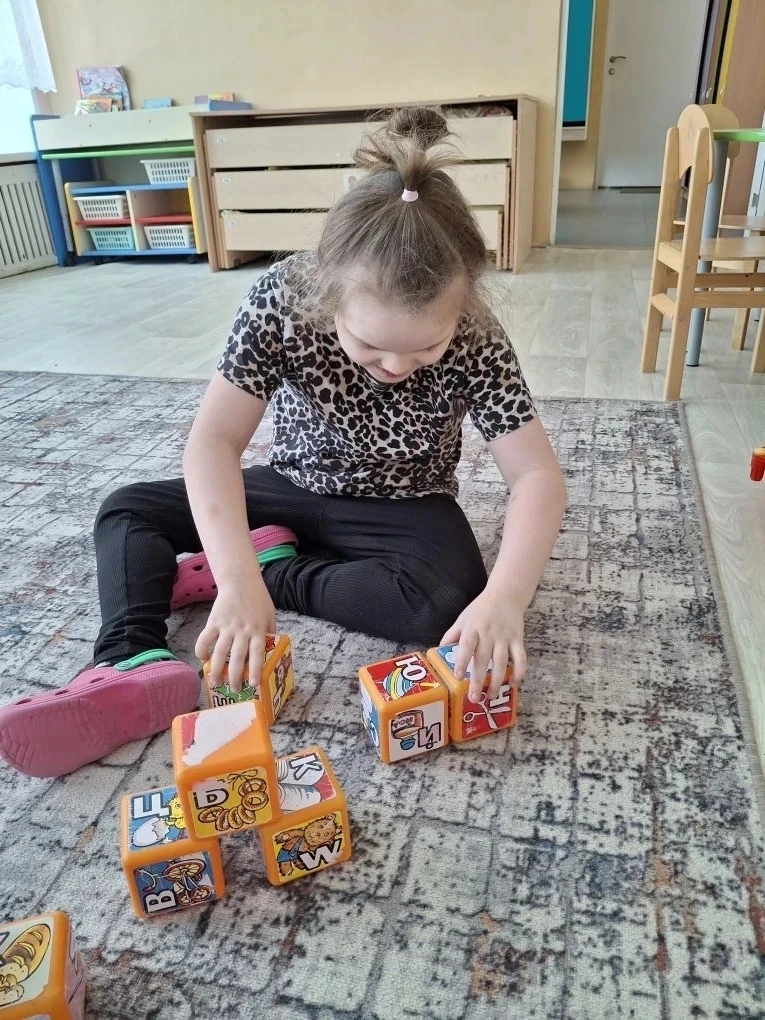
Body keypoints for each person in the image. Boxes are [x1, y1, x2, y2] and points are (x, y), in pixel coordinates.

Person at [0, 107, 565, 779]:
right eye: (370, 345)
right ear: (327, 294)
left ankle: (272, 567)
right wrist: (234, 578)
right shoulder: (281, 296)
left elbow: (534, 477)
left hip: (404, 501)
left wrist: (506, 600)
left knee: (450, 599)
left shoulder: (477, 334)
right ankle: (128, 658)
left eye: (425, 349)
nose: (395, 366)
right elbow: (215, 440)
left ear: (462, 306)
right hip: (293, 484)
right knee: (127, 509)